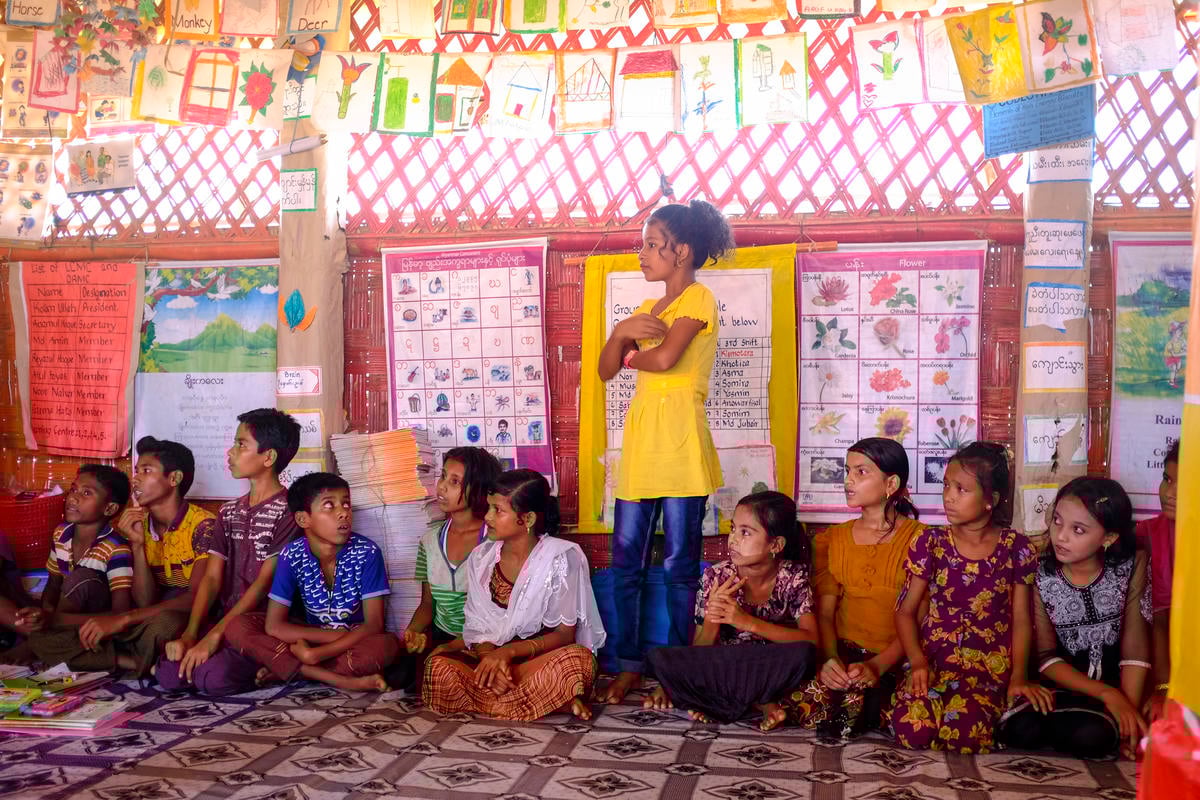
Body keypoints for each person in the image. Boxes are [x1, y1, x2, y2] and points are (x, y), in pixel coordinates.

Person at [596, 199, 735, 704]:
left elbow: (666, 358)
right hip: (641, 447)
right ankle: (629, 665)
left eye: (653, 245)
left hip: (680, 445)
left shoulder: (699, 298)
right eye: (643, 244)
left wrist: (630, 350)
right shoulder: (648, 311)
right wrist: (620, 332)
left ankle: (677, 672)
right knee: (626, 564)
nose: (643, 253)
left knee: (680, 567)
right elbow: (605, 370)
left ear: (683, 252)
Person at [890, 442, 1041, 754]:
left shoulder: (1017, 548)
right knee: (913, 730)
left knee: (964, 733)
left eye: (962, 489)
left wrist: (1019, 677)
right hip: (934, 664)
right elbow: (905, 612)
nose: (949, 496)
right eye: (946, 485)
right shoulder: (930, 542)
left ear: (991, 500)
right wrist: (917, 661)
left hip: (988, 671)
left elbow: (1022, 620)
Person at [423, 469, 605, 721]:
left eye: (497, 510)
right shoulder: (482, 558)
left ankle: (504, 699)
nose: (487, 517)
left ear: (527, 518)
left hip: (535, 660)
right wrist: (491, 662)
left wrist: (508, 653)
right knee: (439, 668)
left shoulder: (561, 557)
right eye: (489, 508)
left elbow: (565, 634)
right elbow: (477, 628)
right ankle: (546, 700)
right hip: (491, 658)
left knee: (577, 661)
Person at [28, 438, 216, 677]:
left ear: (174, 479)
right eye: (136, 471)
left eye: (146, 471)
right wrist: (137, 545)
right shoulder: (137, 525)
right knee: (44, 638)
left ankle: (125, 659)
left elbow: (195, 599)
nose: (135, 479)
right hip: (142, 619)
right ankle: (139, 662)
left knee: (165, 624)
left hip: (180, 620)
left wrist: (123, 620)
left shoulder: (203, 526)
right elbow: (145, 601)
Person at [777, 438, 925, 737]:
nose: (848, 481)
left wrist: (879, 665)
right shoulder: (832, 540)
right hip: (847, 654)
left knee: (908, 715)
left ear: (891, 483)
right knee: (801, 694)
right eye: (847, 471)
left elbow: (921, 618)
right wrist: (830, 659)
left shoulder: (922, 540)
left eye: (861, 472)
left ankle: (868, 703)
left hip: (896, 657)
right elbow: (825, 613)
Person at [1000, 477, 1151, 760]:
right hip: (1060, 689)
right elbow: (1046, 657)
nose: (1060, 536)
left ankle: (1101, 729)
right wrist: (1106, 694)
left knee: (1092, 735)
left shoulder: (1131, 565)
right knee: (1020, 729)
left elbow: (1135, 650)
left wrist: (1126, 710)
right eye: (1057, 521)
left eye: (1077, 529)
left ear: (1109, 538)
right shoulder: (1041, 572)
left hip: (1115, 690)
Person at [156, 408, 301, 695]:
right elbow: (211, 579)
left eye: (241, 444)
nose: (230, 452)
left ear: (268, 457)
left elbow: (264, 583)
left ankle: (274, 664)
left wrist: (215, 636)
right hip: (224, 617)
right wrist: (191, 634)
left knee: (212, 677)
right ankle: (247, 664)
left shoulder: (289, 511)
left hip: (260, 624)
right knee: (170, 674)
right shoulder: (228, 511)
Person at [643, 491, 818, 728]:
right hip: (728, 665)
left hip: (768, 666)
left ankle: (719, 703)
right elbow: (700, 649)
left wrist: (748, 622)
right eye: (733, 528)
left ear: (775, 544)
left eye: (745, 532)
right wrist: (712, 618)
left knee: (803, 655)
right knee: (660, 659)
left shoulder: (793, 577)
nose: (733, 539)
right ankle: (761, 702)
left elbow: (811, 640)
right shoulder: (715, 576)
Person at [223, 473, 398, 692]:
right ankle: (336, 678)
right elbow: (274, 625)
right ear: (303, 519)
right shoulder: (291, 555)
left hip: (353, 640)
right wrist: (328, 639)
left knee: (385, 647)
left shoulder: (368, 552)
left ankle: (287, 669)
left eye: (346, 504)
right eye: (329, 506)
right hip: (312, 636)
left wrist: (317, 654)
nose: (343, 512)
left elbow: (374, 624)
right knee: (238, 626)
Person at [387, 447, 502, 690]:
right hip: (443, 635)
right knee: (398, 675)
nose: (441, 486)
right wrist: (413, 631)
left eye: (455, 481)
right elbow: (428, 603)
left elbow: (501, 613)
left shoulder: (495, 542)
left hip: (486, 639)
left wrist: (460, 646)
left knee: (463, 676)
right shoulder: (429, 541)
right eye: (443, 476)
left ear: (478, 490)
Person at [10, 467, 133, 662]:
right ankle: (48, 642)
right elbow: (53, 585)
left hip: (97, 627)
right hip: (64, 623)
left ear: (109, 508)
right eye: (74, 489)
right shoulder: (61, 534)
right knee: (45, 628)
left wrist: (54, 621)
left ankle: (40, 644)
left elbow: (120, 614)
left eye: (86, 493)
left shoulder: (116, 548)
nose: (73, 497)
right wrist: (44, 615)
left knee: (81, 577)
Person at [1138, 439, 1178, 722]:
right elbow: (1161, 617)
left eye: (1186, 485)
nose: (1169, 493)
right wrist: (1163, 689)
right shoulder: (1149, 534)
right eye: (1167, 479)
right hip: (1167, 664)